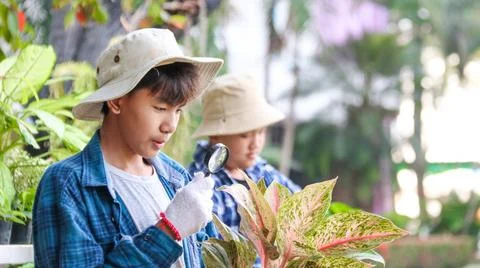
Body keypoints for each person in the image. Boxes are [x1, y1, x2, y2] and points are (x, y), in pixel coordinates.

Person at [32, 28, 223, 267]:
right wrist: (167, 231)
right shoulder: (68, 185)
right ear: (116, 100)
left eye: (178, 110)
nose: (170, 126)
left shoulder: (177, 179)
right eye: (160, 108)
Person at [187, 74, 301, 234]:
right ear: (215, 135)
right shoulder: (203, 185)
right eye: (244, 135)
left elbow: (301, 202)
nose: (255, 144)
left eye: (261, 132)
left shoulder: (262, 171)